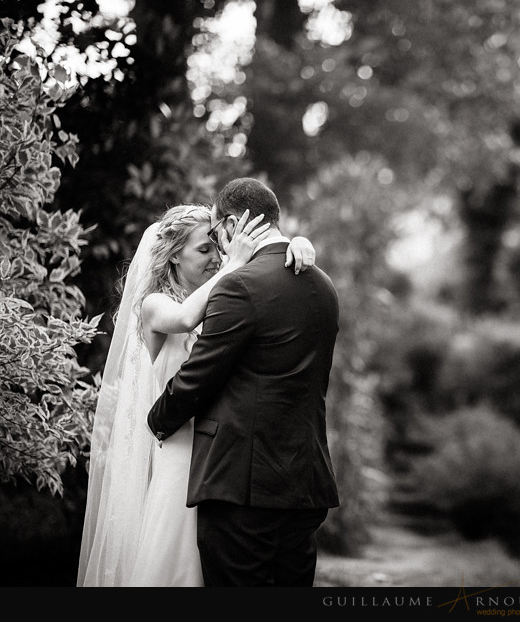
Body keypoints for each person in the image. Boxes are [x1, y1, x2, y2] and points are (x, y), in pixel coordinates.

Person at [77, 203, 317, 587]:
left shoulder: (228, 299)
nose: (215, 258)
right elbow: (187, 318)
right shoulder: (154, 305)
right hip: (181, 453)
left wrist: (298, 244)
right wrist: (233, 265)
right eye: (203, 251)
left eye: (215, 249)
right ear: (173, 256)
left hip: (223, 457)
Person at [147, 178, 340, 587]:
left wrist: (157, 420)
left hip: (241, 486)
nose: (219, 250)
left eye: (217, 235)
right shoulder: (324, 286)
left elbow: (198, 376)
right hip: (304, 483)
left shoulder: (239, 285)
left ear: (234, 225)